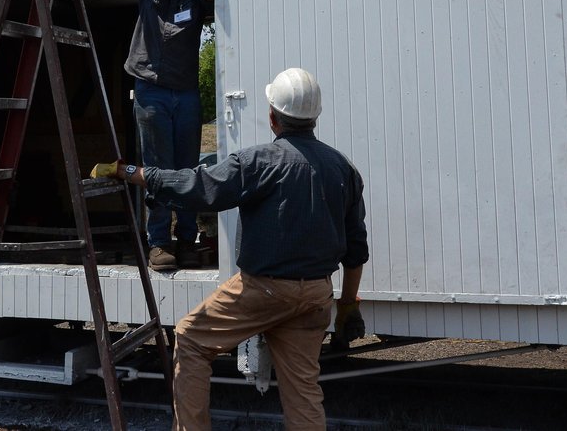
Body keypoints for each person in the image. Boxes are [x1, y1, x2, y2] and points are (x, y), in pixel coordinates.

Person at [92, 68, 369, 430]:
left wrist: (131, 171)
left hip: (264, 290)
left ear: (272, 118)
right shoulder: (342, 168)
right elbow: (356, 248)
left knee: (191, 339)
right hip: (316, 294)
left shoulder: (258, 162)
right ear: (314, 118)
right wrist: (347, 304)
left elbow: (196, 187)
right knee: (303, 390)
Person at [95, 0, 214, 271]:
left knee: (188, 170)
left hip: (185, 93)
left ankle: (187, 241)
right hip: (151, 91)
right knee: (159, 169)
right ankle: (159, 243)